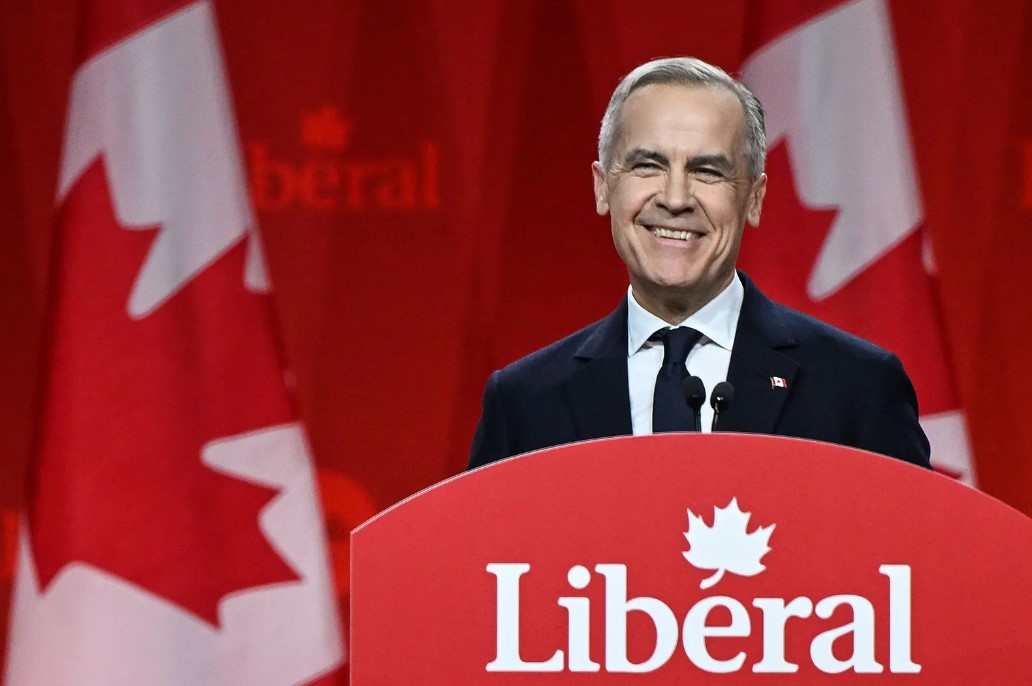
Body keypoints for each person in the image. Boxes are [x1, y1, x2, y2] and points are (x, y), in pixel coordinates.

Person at [467, 57, 931, 471]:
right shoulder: (525, 403)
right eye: (647, 166)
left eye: (707, 171)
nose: (675, 199)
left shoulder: (857, 387)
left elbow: (912, 541)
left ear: (754, 198)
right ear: (603, 187)